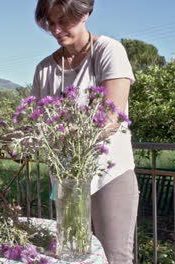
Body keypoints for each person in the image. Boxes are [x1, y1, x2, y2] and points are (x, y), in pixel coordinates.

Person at [31, 0, 139, 263]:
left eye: (63, 21)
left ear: (85, 13)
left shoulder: (109, 51)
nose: (56, 30)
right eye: (50, 23)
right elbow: (34, 120)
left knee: (115, 257)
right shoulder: (45, 68)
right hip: (67, 181)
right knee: (71, 254)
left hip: (109, 174)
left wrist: (58, 132)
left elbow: (110, 117)